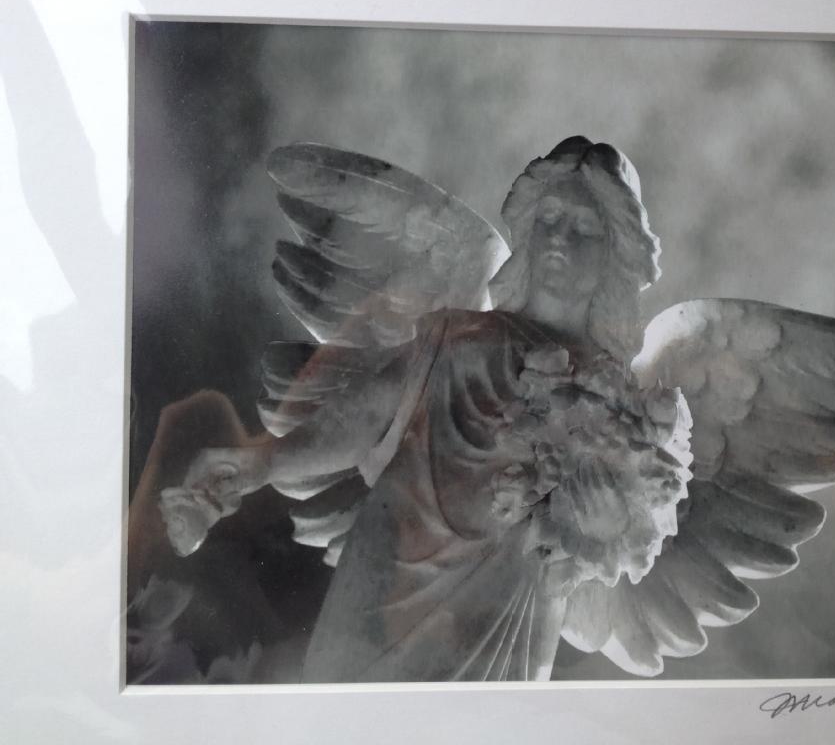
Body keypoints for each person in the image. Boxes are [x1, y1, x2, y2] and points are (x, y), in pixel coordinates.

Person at [164, 137, 689, 681]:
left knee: (482, 721)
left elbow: (628, 546)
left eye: (584, 228)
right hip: (391, 551)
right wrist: (263, 461)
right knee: (342, 706)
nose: (560, 237)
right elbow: (367, 414)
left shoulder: (623, 402)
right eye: (550, 218)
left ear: (615, 252)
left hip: (504, 600)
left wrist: (603, 521)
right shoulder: (458, 337)